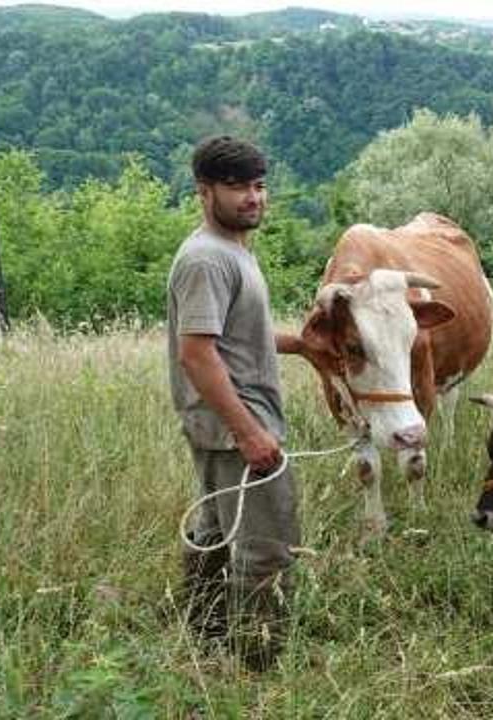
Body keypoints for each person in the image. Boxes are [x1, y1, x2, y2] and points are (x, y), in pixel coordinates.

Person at [168, 135, 302, 671]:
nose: (253, 197)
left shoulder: (232, 250)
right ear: (204, 192)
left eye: (260, 185)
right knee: (265, 548)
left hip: (223, 424)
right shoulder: (206, 259)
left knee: (216, 535)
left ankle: (204, 645)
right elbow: (197, 356)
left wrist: (299, 345)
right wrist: (248, 432)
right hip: (234, 428)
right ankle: (257, 664)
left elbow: (230, 337)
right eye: (237, 186)